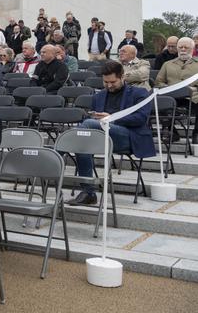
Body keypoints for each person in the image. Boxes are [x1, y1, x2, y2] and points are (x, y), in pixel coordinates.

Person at [68, 61, 155, 205]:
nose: (109, 85)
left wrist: (111, 118)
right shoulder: (99, 96)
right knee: (82, 142)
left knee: (85, 128)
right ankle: (88, 193)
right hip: (102, 136)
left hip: (130, 136)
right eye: (105, 82)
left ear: (122, 77)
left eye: (113, 82)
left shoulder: (139, 93)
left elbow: (141, 119)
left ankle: (58, 153)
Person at [155, 37, 198, 145]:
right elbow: (158, 82)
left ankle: (196, 133)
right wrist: (167, 88)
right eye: (180, 47)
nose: (183, 49)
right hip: (172, 97)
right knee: (158, 102)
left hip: (193, 97)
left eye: (186, 47)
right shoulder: (167, 64)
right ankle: (171, 132)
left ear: (192, 49)